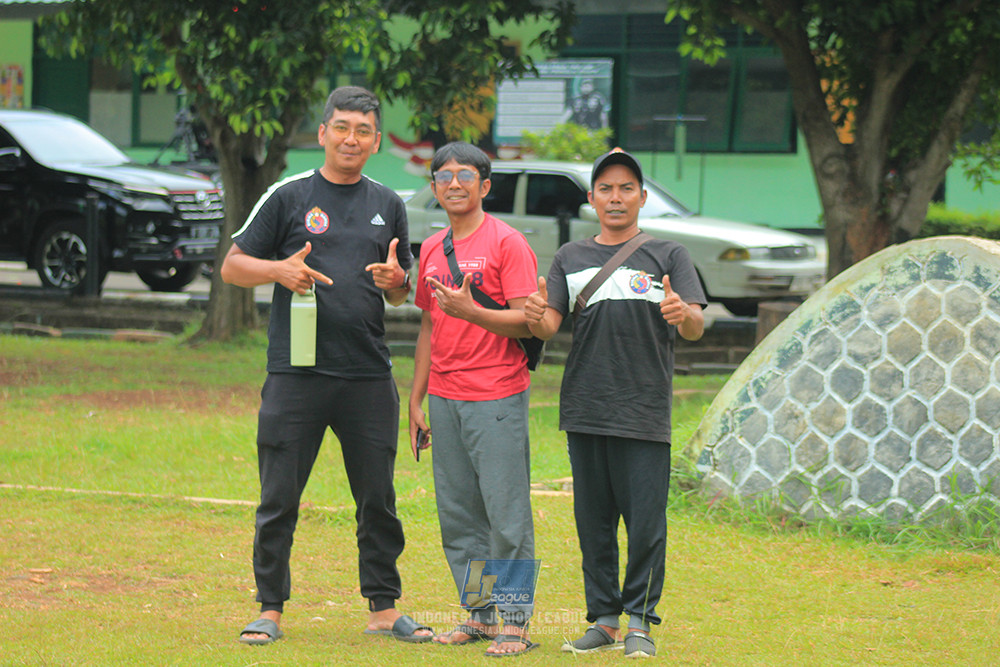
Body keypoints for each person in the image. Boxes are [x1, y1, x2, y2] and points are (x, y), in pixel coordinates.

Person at [221, 85, 433, 646]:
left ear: (376, 141)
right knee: (278, 496)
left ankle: (384, 610)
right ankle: (269, 609)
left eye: (363, 131)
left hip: (366, 375)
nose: (350, 138)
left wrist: (397, 283)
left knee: (377, 498)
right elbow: (232, 267)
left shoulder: (388, 203)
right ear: (322, 133)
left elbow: (399, 290)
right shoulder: (288, 196)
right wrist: (278, 271)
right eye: (341, 127)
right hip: (296, 374)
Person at [524, 148, 706, 658]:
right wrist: (536, 312)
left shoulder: (669, 256)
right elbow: (548, 326)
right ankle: (603, 620)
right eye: (606, 188)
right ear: (591, 199)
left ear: (643, 197)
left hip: (644, 410)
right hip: (585, 407)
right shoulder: (570, 257)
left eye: (627, 188)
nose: (616, 197)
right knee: (594, 521)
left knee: (646, 523)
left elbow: (695, 325)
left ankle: (640, 622)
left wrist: (680, 313)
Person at [408, 142, 540, 657]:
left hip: (496, 396)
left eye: (466, 175)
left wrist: (472, 312)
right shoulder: (431, 247)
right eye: (444, 176)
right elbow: (427, 324)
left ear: (485, 186)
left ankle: (515, 623)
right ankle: (481, 616)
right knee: (459, 515)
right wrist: (415, 398)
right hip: (443, 395)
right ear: (435, 187)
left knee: (506, 514)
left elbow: (529, 318)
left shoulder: (508, 243)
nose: (454, 183)